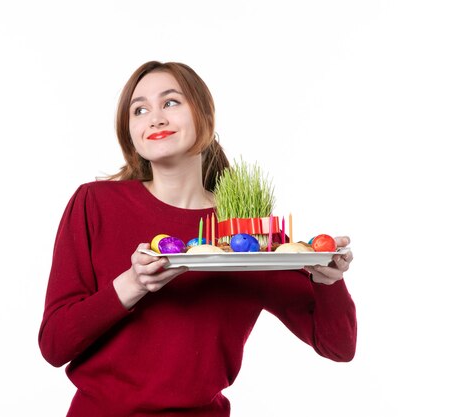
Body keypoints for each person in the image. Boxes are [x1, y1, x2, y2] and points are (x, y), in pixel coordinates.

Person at [38, 61, 357, 417]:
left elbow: (338, 346)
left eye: (171, 102)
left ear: (205, 114)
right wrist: (132, 284)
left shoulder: (246, 233)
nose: (155, 118)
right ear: (130, 131)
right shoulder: (94, 204)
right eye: (140, 109)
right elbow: (54, 343)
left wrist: (329, 280)